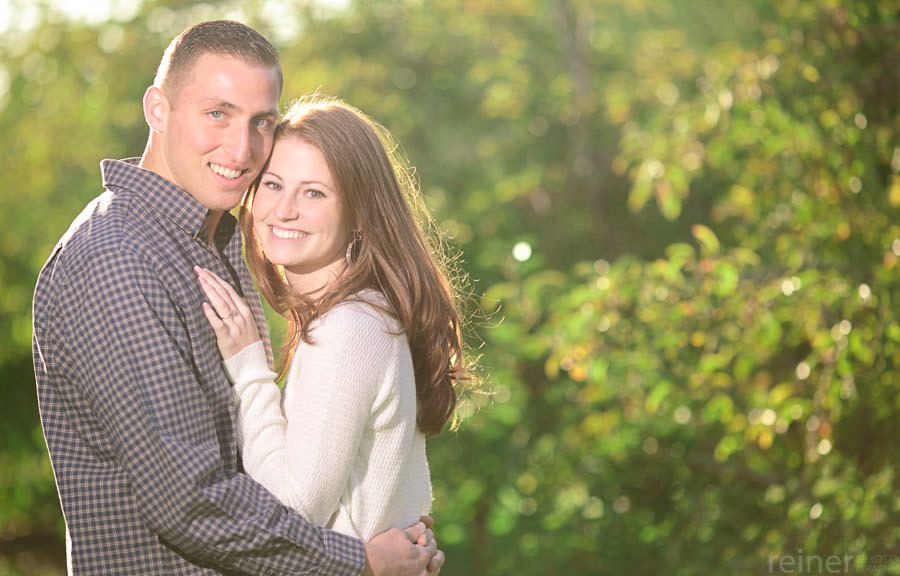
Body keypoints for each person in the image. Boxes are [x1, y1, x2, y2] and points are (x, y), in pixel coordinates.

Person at [32, 20, 443, 575]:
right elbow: (190, 499)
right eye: (217, 114)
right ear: (158, 108)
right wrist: (359, 562)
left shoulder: (213, 238)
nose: (242, 147)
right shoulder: (117, 260)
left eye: (260, 122)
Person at [194, 95, 471, 547]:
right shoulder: (356, 315)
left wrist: (249, 373)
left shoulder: (348, 329)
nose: (284, 210)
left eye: (314, 192)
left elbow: (295, 509)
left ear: (360, 212)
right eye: (273, 185)